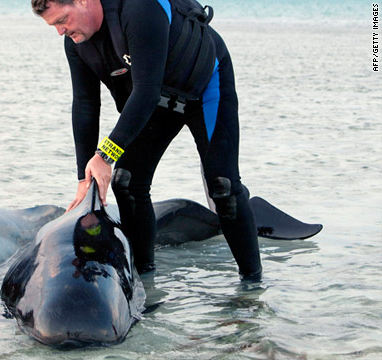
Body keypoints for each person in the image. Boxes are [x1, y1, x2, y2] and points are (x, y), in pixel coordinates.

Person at [31, 0, 262, 280]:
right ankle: (145, 283)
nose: (59, 31)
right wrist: (84, 178)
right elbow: (85, 105)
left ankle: (251, 288)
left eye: (62, 20)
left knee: (223, 187)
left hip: (205, 87)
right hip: (158, 102)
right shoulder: (77, 43)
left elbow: (145, 92)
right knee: (126, 182)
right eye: (53, 25)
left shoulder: (139, 9)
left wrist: (104, 155)